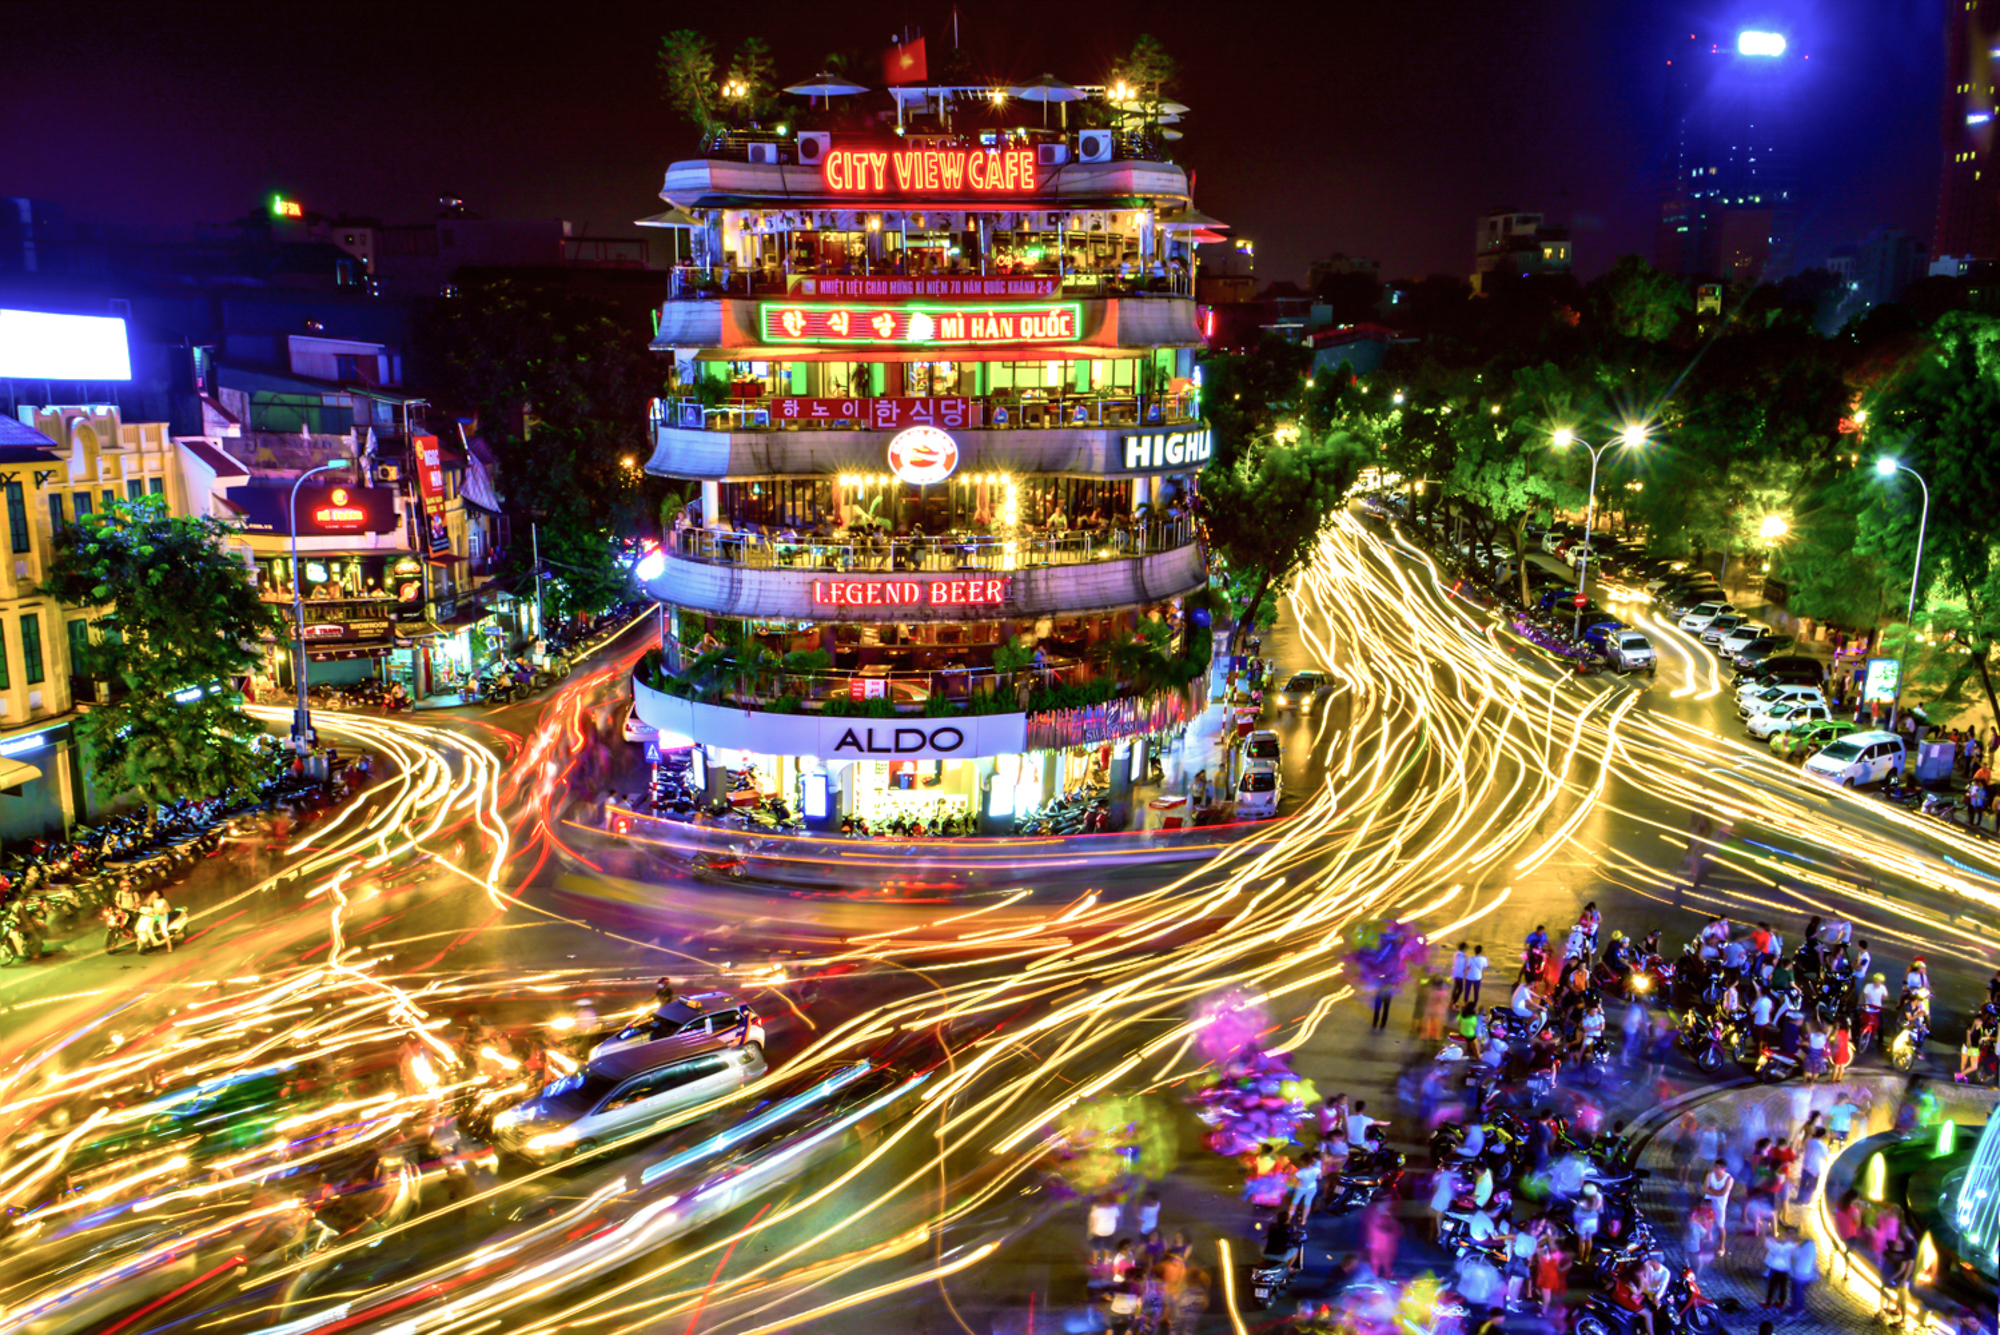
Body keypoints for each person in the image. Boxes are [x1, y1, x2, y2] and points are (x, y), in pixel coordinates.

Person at [1701, 1160, 1735, 1255]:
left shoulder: (1729, 1179)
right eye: (1714, 1167)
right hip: (1708, 1200)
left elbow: (1723, 1193)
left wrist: (1711, 1191)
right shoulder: (1710, 1175)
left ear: (1723, 1169)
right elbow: (1704, 1188)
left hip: (1720, 1204)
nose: (1715, 1169)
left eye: (1717, 1167)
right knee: (1706, 1219)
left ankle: (1722, 1246)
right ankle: (1708, 1236)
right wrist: (1713, 1192)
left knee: (1720, 1226)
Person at [1761, 1227, 1796, 1309]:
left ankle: (1768, 1303)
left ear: (1787, 1235)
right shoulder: (1793, 1246)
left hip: (1777, 1269)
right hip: (1785, 1269)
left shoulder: (1784, 1246)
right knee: (1783, 1287)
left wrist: (1769, 1240)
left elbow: (1776, 1249)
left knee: (1772, 1286)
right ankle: (1781, 1303)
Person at [138, 888, 173, 952]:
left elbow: (169, 909)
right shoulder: (154, 900)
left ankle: (169, 947)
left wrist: (163, 913)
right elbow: (148, 905)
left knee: (163, 931)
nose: (153, 894)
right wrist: (151, 898)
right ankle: (150, 942)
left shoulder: (163, 901)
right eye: (153, 893)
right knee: (147, 926)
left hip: (163, 917)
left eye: (154, 893)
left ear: (158, 895)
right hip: (156, 916)